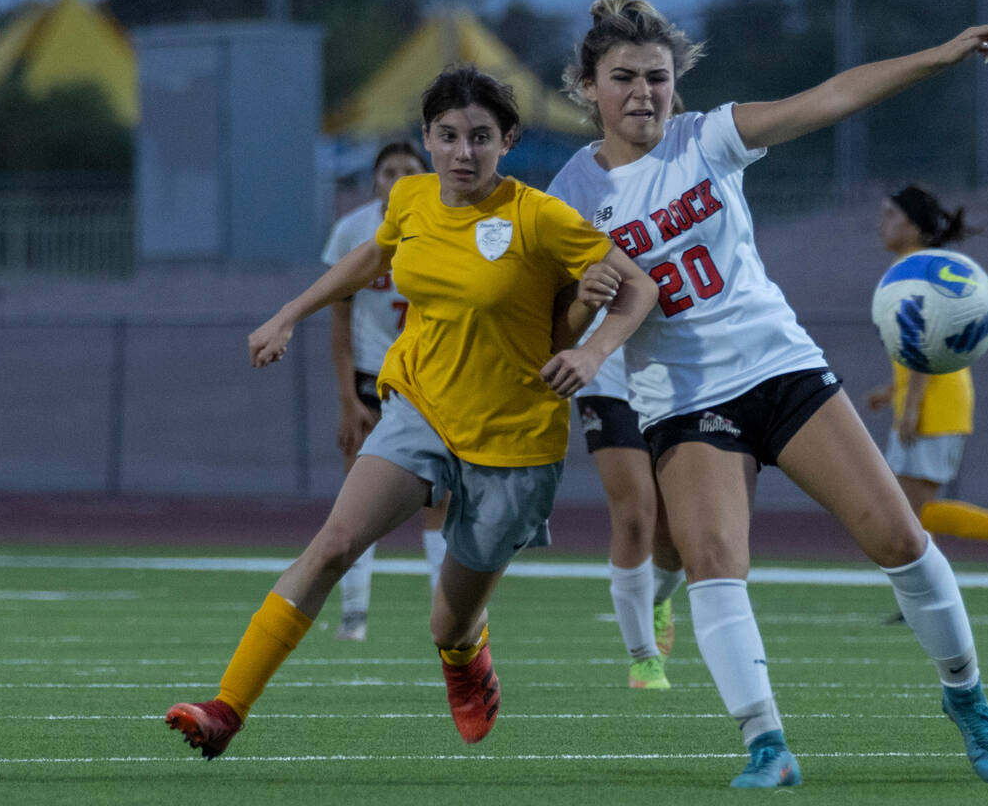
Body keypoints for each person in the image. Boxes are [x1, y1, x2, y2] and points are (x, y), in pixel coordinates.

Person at [548, 0, 988, 788]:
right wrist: (579, 307)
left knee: (899, 539)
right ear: (588, 87)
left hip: (780, 368)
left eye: (657, 77)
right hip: (684, 402)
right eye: (623, 77)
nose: (643, 93)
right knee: (714, 562)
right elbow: (555, 324)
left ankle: (966, 694)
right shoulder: (566, 194)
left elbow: (831, 97)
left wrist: (937, 56)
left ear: (676, 83)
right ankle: (767, 744)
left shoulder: (708, 137)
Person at [164, 64, 657, 759]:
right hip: (418, 406)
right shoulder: (412, 198)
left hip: (513, 439)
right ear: (427, 138)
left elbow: (639, 287)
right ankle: (226, 709)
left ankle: (464, 654)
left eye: (480, 137)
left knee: (447, 624)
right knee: (334, 545)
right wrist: (289, 314)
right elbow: (373, 255)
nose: (463, 152)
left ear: (508, 140)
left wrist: (593, 351)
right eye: (448, 135)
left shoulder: (539, 216)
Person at [866, 184, 988, 587]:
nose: (881, 224)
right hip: (931, 398)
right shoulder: (915, 267)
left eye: (891, 215)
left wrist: (911, 406)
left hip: (934, 404)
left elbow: (926, 347)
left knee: (913, 514)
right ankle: (930, 591)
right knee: (911, 514)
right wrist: (892, 392)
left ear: (914, 227)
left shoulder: (916, 271)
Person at [322, 140, 451, 641]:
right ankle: (354, 614)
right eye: (388, 171)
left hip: (431, 376)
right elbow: (339, 319)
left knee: (440, 498)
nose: (398, 180)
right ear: (374, 181)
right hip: (372, 374)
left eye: (409, 170)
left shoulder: (445, 222)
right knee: (358, 500)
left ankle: (445, 617)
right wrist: (346, 398)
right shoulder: (354, 230)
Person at [575, 348, 685, 689]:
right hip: (607, 374)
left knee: (674, 531)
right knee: (634, 514)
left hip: (676, 370)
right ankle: (644, 658)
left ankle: (656, 599)